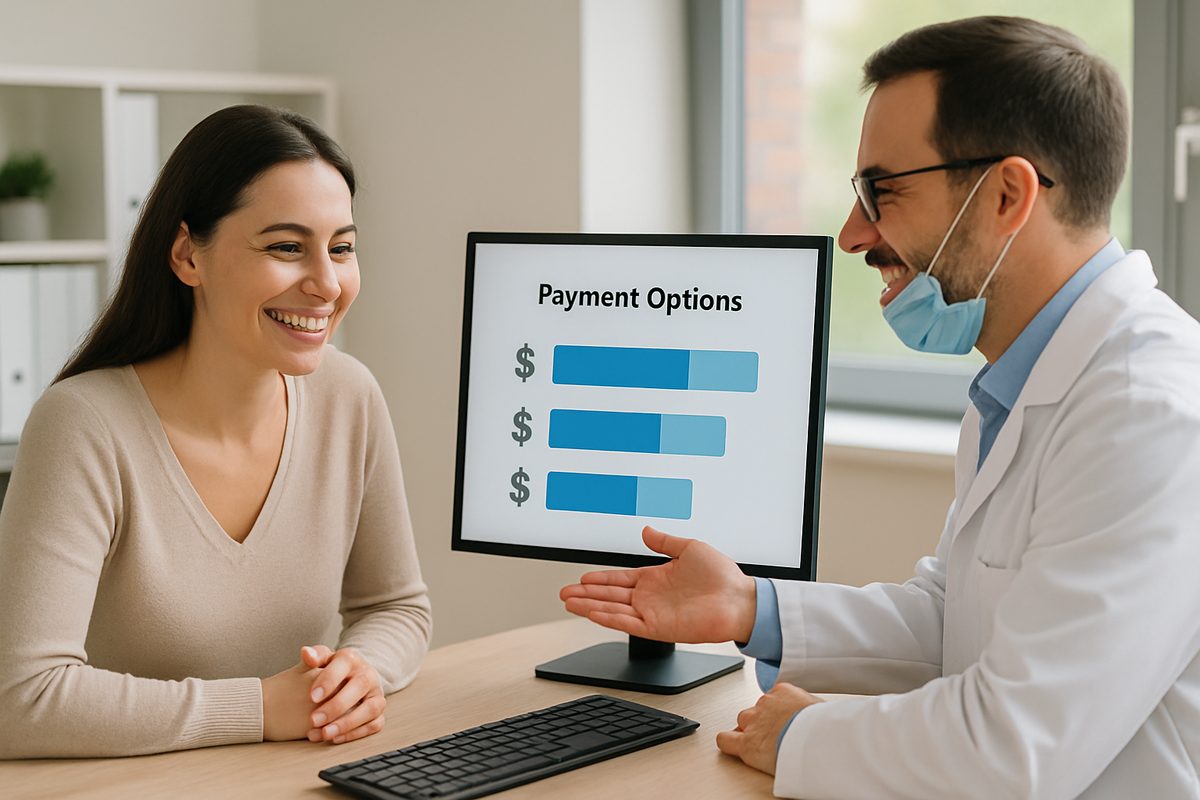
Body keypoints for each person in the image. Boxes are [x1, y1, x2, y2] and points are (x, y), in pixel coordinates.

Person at [562, 16, 1200, 799]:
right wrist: (748, 606)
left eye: (882, 190)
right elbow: (956, 622)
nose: (852, 233)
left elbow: (1013, 748)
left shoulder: (1150, 415)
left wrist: (800, 733)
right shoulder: (1025, 382)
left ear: (1007, 194)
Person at [0, 105, 431, 758]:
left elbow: (396, 608)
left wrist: (358, 672)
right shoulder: (84, 425)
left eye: (341, 247)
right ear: (186, 255)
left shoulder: (350, 397)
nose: (326, 283)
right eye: (286, 247)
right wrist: (258, 707)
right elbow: (21, 696)